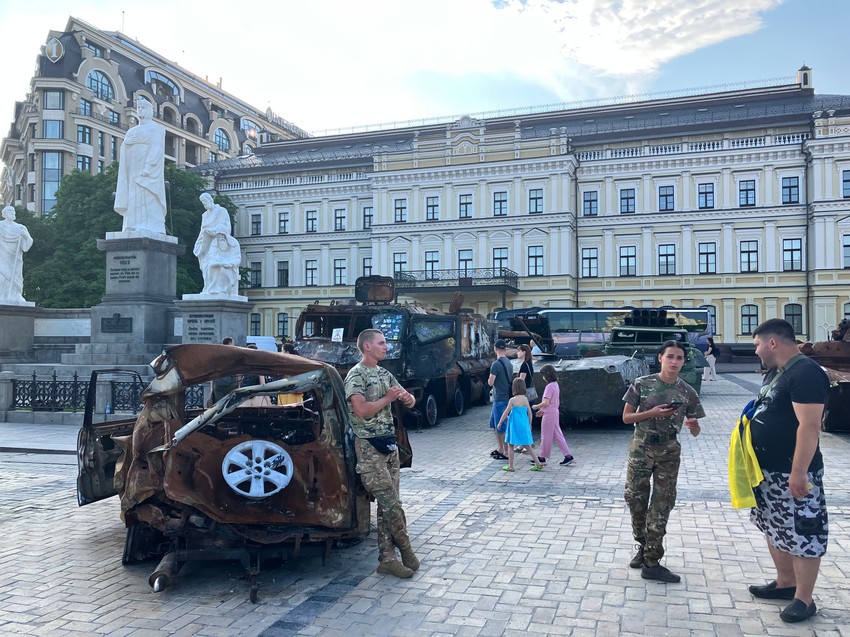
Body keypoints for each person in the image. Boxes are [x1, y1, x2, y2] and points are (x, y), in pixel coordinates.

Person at [747, 319, 829, 623]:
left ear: (772, 343)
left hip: (792, 472)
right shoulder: (777, 371)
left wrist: (799, 472)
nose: (755, 351)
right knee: (774, 527)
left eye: (756, 344)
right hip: (767, 472)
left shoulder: (805, 372)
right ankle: (785, 583)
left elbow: (809, 426)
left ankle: (804, 600)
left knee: (805, 533)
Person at [622, 340, 705, 583]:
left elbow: (696, 430)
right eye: (670, 356)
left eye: (679, 358)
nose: (675, 362)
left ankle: (652, 561)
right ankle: (643, 545)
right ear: (660, 358)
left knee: (662, 502)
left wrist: (694, 425)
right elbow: (626, 417)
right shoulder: (642, 384)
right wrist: (652, 413)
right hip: (641, 446)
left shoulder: (687, 391)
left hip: (669, 450)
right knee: (635, 498)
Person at [344, 328, 419, 579]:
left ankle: (387, 559)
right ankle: (406, 549)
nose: (386, 346)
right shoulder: (356, 375)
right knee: (390, 502)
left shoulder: (385, 374)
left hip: (389, 445)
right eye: (381, 343)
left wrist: (407, 398)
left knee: (388, 505)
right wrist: (388, 399)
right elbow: (361, 410)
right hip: (368, 446)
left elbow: (408, 399)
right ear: (367, 347)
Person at [114, 96, 167, 235]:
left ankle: (151, 225)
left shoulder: (157, 129)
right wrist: (127, 143)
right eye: (138, 108)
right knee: (133, 195)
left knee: (148, 194)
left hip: (147, 170)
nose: (140, 110)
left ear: (149, 110)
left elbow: (157, 148)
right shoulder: (131, 131)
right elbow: (125, 147)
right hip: (133, 167)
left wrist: (148, 167)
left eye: (143, 108)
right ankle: (132, 224)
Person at [194, 193, 241, 295]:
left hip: (219, 241)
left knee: (214, 265)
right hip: (206, 243)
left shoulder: (221, 211)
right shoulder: (204, 215)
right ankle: (209, 288)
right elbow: (202, 231)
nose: (204, 204)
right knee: (206, 266)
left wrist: (215, 230)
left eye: (205, 202)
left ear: (210, 200)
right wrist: (199, 243)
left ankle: (218, 288)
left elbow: (227, 228)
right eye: (203, 203)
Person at [497, 378, 545, 472]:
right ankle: (538, 463)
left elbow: (506, 412)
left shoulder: (512, 400)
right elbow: (530, 413)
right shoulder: (525, 399)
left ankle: (511, 466)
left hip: (514, 425)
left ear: (514, 388)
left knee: (510, 444)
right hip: (524, 424)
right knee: (527, 445)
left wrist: (500, 422)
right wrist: (530, 423)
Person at [532, 364, 574, 466]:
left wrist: (536, 406)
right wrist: (542, 410)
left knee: (545, 435)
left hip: (549, 414)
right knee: (558, 435)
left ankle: (542, 457)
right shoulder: (555, 385)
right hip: (554, 412)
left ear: (547, 375)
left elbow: (546, 402)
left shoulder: (549, 386)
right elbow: (552, 402)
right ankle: (568, 455)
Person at [0, 206, 33, 303]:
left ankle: (15, 296)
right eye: (10, 211)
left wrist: (25, 235)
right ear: (4, 214)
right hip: (2, 257)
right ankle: (2, 296)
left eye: (13, 211)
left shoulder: (21, 228)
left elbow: (26, 247)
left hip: (15, 259)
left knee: (15, 278)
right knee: (2, 278)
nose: (13, 213)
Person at [487, 339, 513, 461]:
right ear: (505, 349)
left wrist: (488, 380)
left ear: (495, 349)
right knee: (494, 424)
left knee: (500, 425)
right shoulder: (509, 362)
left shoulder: (496, 364)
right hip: (505, 397)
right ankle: (500, 448)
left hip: (499, 399)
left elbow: (491, 382)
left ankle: (506, 451)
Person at [210, 337, 238, 402]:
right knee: (230, 406)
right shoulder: (234, 356)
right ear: (230, 343)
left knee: (218, 406)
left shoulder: (217, 357)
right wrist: (238, 385)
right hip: (231, 384)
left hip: (218, 384)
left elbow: (213, 373)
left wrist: (212, 388)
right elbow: (237, 372)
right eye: (233, 343)